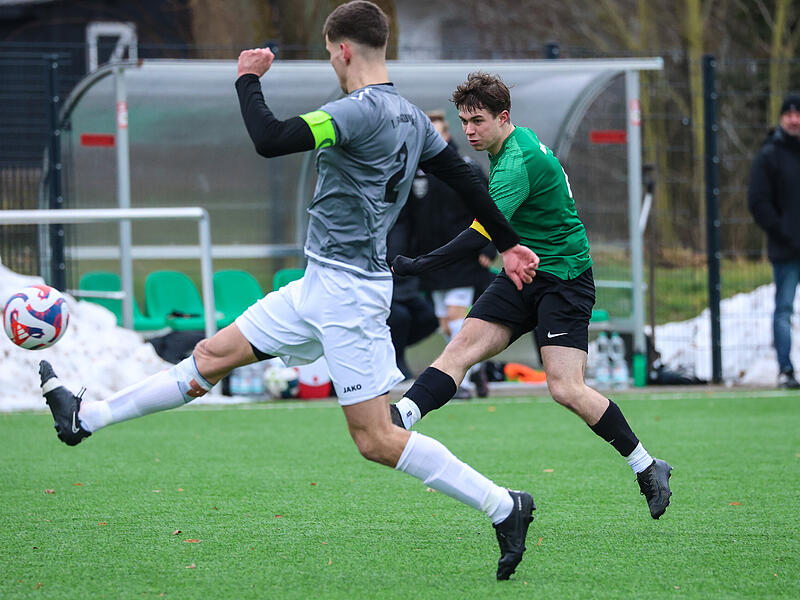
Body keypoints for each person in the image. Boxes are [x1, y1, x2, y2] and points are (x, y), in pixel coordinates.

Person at [37, 2, 539, 580]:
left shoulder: (353, 112)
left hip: (348, 296)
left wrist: (248, 78)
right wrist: (507, 241)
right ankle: (85, 419)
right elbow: (468, 182)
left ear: (344, 50)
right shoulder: (414, 119)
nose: (331, 62)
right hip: (319, 284)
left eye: (330, 53)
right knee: (209, 358)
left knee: (376, 439)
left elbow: (271, 139)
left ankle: (505, 506)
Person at [390, 72, 673, 520]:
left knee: (565, 387)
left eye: (477, 120)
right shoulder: (508, 145)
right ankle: (400, 417)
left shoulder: (516, 163)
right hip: (524, 272)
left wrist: (419, 265)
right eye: (464, 121)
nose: (469, 130)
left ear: (504, 117)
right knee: (459, 348)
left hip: (563, 278)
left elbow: (481, 234)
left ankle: (647, 465)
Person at [407, 110, 497, 397]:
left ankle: (464, 382)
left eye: (437, 133)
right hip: (432, 260)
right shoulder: (418, 171)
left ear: (446, 136)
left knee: (458, 319)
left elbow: (490, 208)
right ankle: (475, 367)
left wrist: (489, 246)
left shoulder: (466, 168)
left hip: (460, 256)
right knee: (444, 323)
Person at [747, 93, 800, 389]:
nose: (794, 118)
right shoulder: (769, 155)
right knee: (784, 309)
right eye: (789, 113)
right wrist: (784, 234)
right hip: (785, 250)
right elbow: (758, 202)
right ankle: (786, 370)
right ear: (781, 117)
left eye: (798, 113)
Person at [386, 203, 438, 379]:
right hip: (381, 284)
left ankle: (392, 348)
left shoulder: (410, 209)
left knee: (430, 316)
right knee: (400, 317)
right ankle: (395, 358)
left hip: (407, 283)